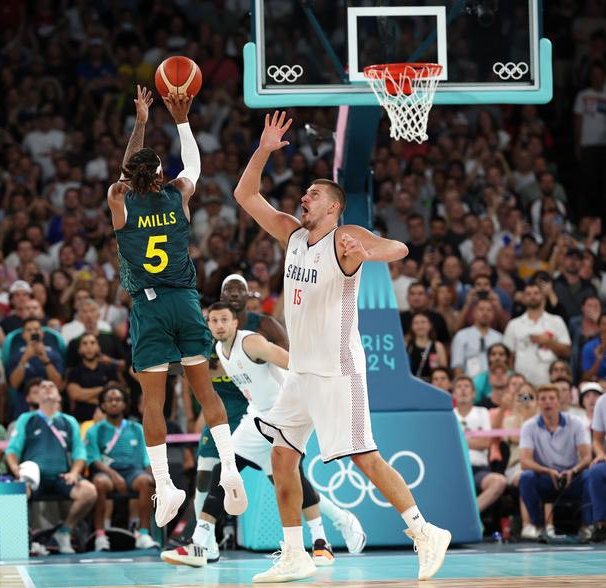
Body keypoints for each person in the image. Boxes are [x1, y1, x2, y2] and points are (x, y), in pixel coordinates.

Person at [233, 111, 450, 583]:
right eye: (305, 194)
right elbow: (246, 195)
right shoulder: (292, 234)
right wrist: (265, 150)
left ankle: (424, 530)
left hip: (338, 371)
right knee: (281, 456)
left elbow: (400, 249)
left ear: (333, 207)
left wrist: (369, 253)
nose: (304, 198)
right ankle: (294, 552)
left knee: (363, 456)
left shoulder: (345, 240)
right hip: (302, 373)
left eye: (313, 195)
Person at [106, 86, 245, 527]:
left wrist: (142, 122)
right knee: (206, 392)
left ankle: (165, 487)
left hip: (148, 308)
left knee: (153, 402)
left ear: (131, 176)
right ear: (161, 174)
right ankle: (230, 467)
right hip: (186, 302)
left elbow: (129, 170)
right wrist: (181, 120)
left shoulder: (119, 199)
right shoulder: (178, 195)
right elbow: (195, 165)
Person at [161, 302, 366, 569]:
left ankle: (320, 539)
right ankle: (329, 532)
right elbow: (190, 368)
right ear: (208, 325)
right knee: (256, 476)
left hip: (285, 412)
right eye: (214, 321)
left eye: (225, 319)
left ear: (236, 322)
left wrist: (322, 393)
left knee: (269, 477)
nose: (220, 325)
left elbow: (292, 362)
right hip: (257, 415)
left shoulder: (252, 343)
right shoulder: (219, 352)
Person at [193, 273, 289, 525]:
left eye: (240, 289)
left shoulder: (259, 332)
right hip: (232, 410)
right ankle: (202, 540)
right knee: (212, 473)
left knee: (286, 480)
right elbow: (196, 372)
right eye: (229, 290)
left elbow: (290, 360)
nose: (234, 294)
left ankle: (328, 528)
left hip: (275, 410)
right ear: (221, 298)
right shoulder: (213, 340)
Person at [5, 380, 97, 554]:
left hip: (61, 477)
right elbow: (12, 450)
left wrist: (74, 472)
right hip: (34, 478)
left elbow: (80, 454)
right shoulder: (26, 419)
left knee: (89, 491)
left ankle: (64, 532)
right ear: (36, 397)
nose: (47, 388)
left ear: (59, 397)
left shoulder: (69, 421)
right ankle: (27, 540)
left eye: (51, 386)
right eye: (42, 387)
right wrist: (16, 470)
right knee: (18, 491)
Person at [85, 385, 159, 551]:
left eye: (118, 400)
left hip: (133, 472)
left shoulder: (137, 429)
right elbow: (94, 459)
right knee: (99, 483)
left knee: (147, 482)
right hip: (107, 473)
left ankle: (143, 534)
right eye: (109, 400)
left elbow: (146, 458)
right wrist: (114, 476)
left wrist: (152, 475)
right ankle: (100, 535)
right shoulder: (95, 431)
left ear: (124, 404)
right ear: (102, 405)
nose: (114, 403)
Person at [519, 384, 593, 540]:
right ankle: (539, 527)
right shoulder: (529, 426)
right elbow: (525, 462)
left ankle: (587, 526)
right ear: (538, 402)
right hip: (545, 477)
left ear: (559, 402)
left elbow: (587, 457)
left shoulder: (577, 423)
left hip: (571, 477)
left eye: (552, 398)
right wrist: (547, 471)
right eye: (543, 399)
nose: (547, 402)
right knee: (526, 477)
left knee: (590, 475)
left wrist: (573, 470)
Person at [452, 377, 507, 517]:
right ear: (453, 393)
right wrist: (472, 440)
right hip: (454, 471)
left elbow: (485, 443)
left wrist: (459, 439)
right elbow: (445, 445)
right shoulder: (449, 414)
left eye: (467, 386)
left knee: (499, 481)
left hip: (478, 470)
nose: (463, 389)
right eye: (459, 386)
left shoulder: (482, 412)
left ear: (474, 393)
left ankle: (469, 516)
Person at [503, 282, 570, 387]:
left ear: (543, 296)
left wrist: (548, 342)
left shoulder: (556, 321)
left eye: (536, 293)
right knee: (524, 403)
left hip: (550, 385)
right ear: (523, 298)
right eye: (528, 294)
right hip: (523, 386)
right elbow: (508, 357)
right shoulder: (514, 324)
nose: (532, 296)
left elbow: (567, 352)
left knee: (548, 403)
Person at [405, 312, 448, 381]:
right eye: (416, 323)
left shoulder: (438, 346)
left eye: (423, 322)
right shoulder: (407, 345)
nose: (420, 326)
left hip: (431, 385)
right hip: (411, 383)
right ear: (411, 326)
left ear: (430, 325)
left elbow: (443, 371)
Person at [587, 392, 606, 543]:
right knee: (596, 471)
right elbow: (597, 440)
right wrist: (600, 454)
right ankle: (602, 526)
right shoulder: (602, 401)